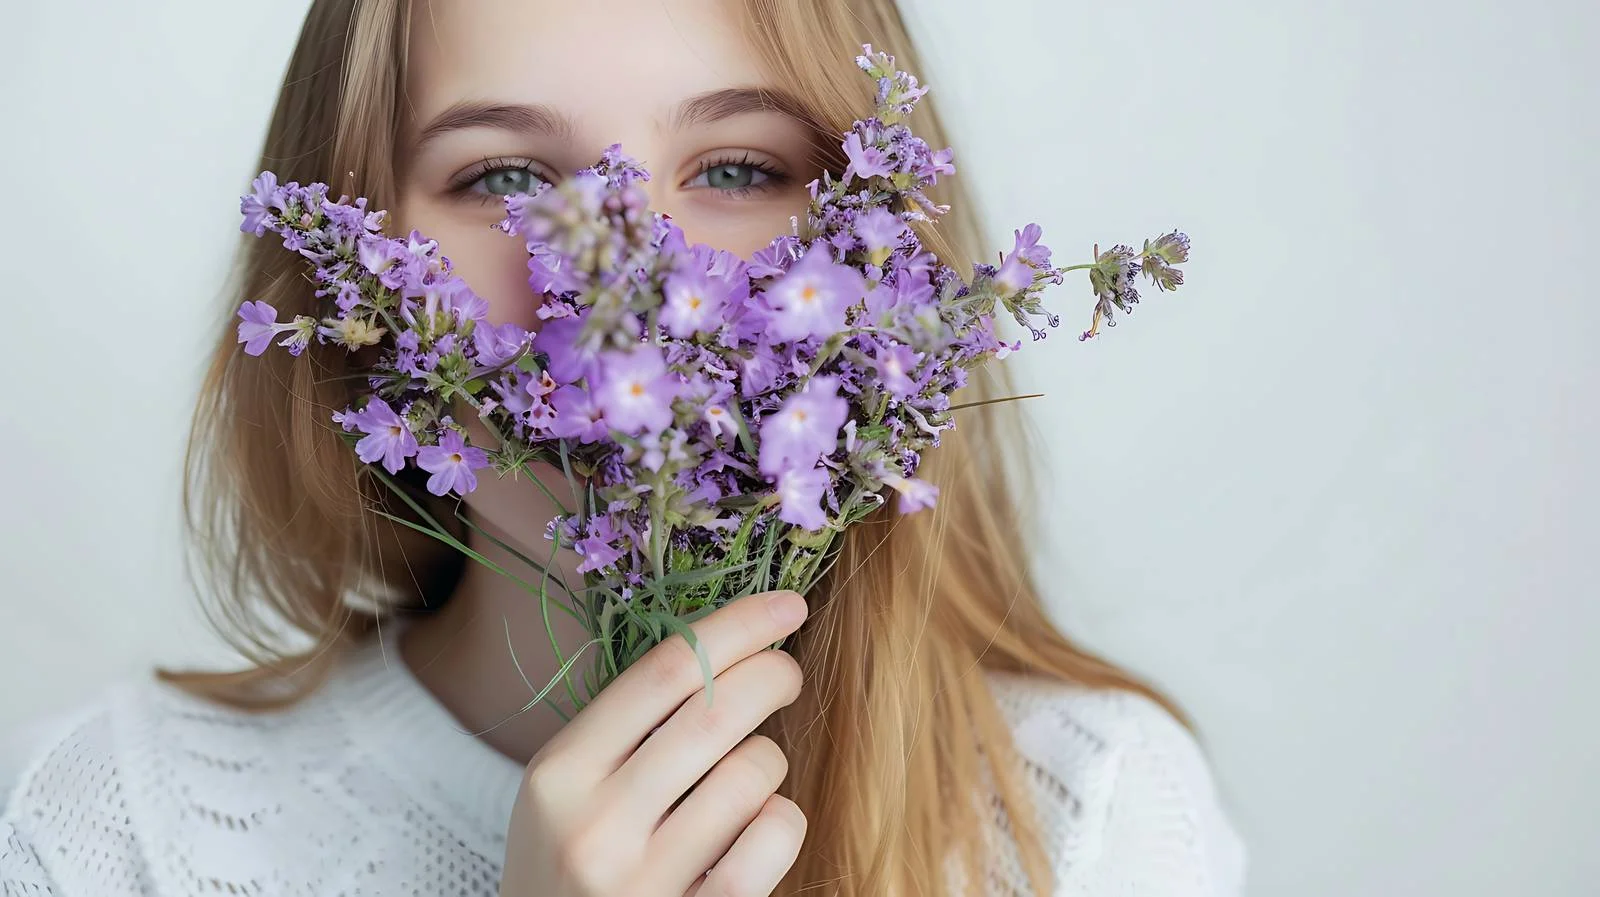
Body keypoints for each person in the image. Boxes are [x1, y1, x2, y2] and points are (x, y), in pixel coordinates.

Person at [0, 0, 1246, 894]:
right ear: (352, 281)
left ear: (888, 268)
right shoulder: (118, 831)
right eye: (499, 182)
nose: (628, 284)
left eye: (740, 166)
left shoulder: (1077, 817)